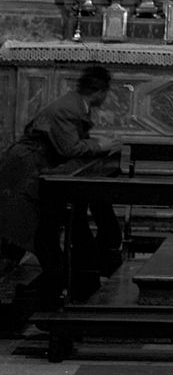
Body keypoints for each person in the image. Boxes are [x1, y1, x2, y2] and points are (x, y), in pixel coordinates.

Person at [0, 64, 121, 307]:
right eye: (106, 93)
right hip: (26, 170)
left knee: (29, 232)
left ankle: (52, 284)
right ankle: (42, 291)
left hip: (36, 168)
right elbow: (70, 148)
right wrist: (102, 145)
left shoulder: (76, 105)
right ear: (99, 92)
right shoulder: (70, 109)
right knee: (22, 230)